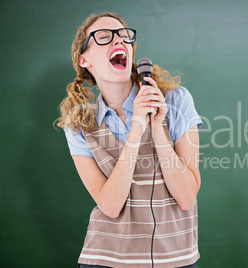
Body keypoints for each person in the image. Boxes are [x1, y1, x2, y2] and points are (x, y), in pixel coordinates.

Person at [55, 12, 202, 268]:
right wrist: (136, 130)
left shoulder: (176, 101)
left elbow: (188, 197)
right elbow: (110, 206)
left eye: (124, 36)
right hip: (106, 259)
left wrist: (157, 127)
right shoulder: (80, 125)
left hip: (175, 258)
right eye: (104, 37)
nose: (119, 41)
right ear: (84, 60)